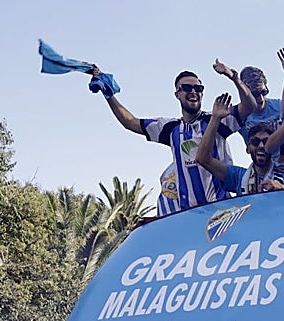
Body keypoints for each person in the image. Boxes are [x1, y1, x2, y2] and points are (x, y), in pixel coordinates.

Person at [93, 62, 255, 211]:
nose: (193, 92)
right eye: (187, 88)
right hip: (188, 213)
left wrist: (233, 77)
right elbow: (131, 122)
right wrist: (108, 95)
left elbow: (249, 105)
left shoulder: (217, 117)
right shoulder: (170, 128)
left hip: (220, 208)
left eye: (198, 89)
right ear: (177, 94)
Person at [196, 95, 284, 195]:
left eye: (266, 142)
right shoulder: (238, 176)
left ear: (273, 147)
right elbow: (203, 159)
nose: (260, 146)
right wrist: (215, 118)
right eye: (255, 142)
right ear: (247, 149)